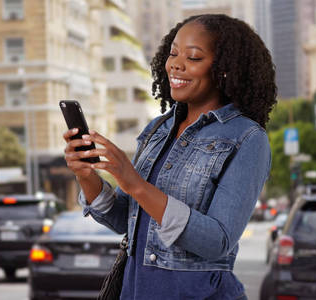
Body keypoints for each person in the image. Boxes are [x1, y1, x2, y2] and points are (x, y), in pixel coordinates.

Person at [63, 14, 276, 299]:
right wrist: (86, 174)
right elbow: (124, 218)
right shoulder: (158, 129)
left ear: (223, 69)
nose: (176, 63)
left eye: (194, 57)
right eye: (173, 53)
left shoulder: (248, 138)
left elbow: (217, 241)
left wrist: (134, 182)